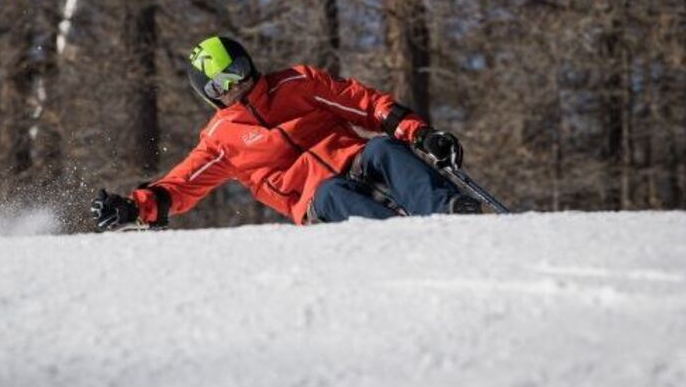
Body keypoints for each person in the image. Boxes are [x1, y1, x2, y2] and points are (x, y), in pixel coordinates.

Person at [91, 36, 481, 232]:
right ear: (208, 96)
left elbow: (362, 102)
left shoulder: (296, 83)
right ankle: (402, 241)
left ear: (250, 63)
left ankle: (448, 212)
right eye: (220, 86)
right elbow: (181, 185)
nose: (235, 86)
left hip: (352, 158)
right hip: (315, 199)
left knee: (382, 148)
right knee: (332, 192)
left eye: (238, 71)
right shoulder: (220, 137)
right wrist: (136, 207)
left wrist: (419, 133)